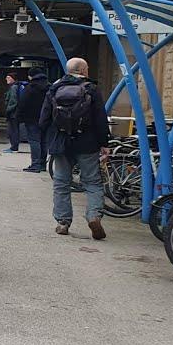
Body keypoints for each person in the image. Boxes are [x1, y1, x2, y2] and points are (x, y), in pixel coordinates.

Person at [40, 57, 110, 240]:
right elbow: (100, 118)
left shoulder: (54, 88)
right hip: (87, 143)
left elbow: (43, 119)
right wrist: (104, 143)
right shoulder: (91, 89)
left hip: (61, 144)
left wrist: (51, 139)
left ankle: (63, 222)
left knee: (61, 182)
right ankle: (94, 216)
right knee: (92, 182)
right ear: (83, 70)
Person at [17, 67, 50, 172]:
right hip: (46, 118)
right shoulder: (50, 87)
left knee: (34, 141)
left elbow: (23, 103)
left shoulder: (30, 88)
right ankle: (43, 164)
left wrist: (18, 117)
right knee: (44, 141)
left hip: (31, 119)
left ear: (31, 76)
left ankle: (35, 164)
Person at [2, 73, 22, 153]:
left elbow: (13, 101)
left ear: (12, 78)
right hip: (15, 112)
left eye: (8, 77)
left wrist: (8, 110)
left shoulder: (13, 87)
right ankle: (14, 146)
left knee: (12, 130)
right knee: (14, 130)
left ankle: (14, 147)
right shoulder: (16, 86)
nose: (6, 79)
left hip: (13, 113)